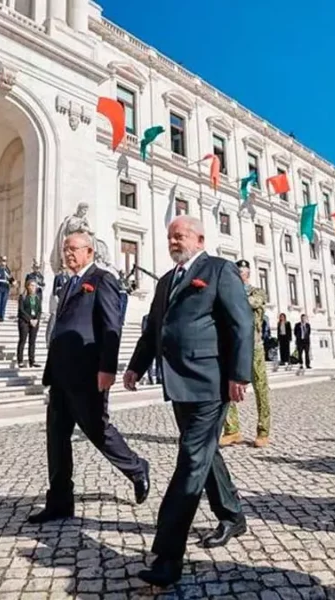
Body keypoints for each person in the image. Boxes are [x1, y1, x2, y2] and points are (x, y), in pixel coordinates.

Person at [123, 216, 253, 588]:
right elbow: (154, 330)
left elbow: (240, 324)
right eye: (169, 237)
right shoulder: (167, 281)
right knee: (205, 453)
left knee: (191, 460)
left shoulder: (218, 270)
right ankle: (233, 515)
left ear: (199, 238)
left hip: (210, 384)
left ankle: (167, 555)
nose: (173, 241)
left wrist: (239, 375)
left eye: (180, 236)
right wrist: (136, 366)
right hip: (179, 383)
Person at [28, 231, 149, 525]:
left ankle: (136, 468)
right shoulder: (68, 283)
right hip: (59, 373)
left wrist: (107, 368)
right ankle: (59, 501)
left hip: (87, 373)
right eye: (65, 249)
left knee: (97, 430)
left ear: (90, 251)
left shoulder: (102, 279)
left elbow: (111, 326)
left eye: (73, 249)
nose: (68, 253)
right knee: (56, 439)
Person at [220, 259, 271, 448]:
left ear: (247, 273)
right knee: (227, 387)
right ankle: (232, 430)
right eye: (237, 271)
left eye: (242, 272)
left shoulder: (257, 292)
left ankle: (263, 430)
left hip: (254, 347)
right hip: (232, 347)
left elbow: (249, 303)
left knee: (260, 388)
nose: (239, 274)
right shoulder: (229, 293)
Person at [17, 279, 42, 368]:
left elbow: (39, 310)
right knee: (22, 340)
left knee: (32, 342)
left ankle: (32, 361)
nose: (33, 287)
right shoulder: (23, 297)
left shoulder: (37, 297)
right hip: (24, 321)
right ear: (27, 286)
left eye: (34, 286)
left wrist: (36, 320)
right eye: (31, 285)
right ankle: (20, 361)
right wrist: (29, 320)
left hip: (35, 322)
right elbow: (21, 310)